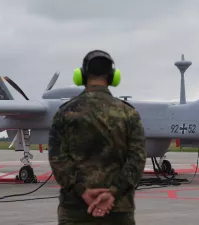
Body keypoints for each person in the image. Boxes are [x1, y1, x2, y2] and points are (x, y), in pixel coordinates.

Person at [48, 49, 147, 224]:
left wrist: (82, 191)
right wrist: (113, 193)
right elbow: (137, 159)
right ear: (112, 77)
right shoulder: (128, 113)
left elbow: (58, 159)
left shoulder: (65, 113)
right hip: (118, 210)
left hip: (75, 210)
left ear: (82, 75)